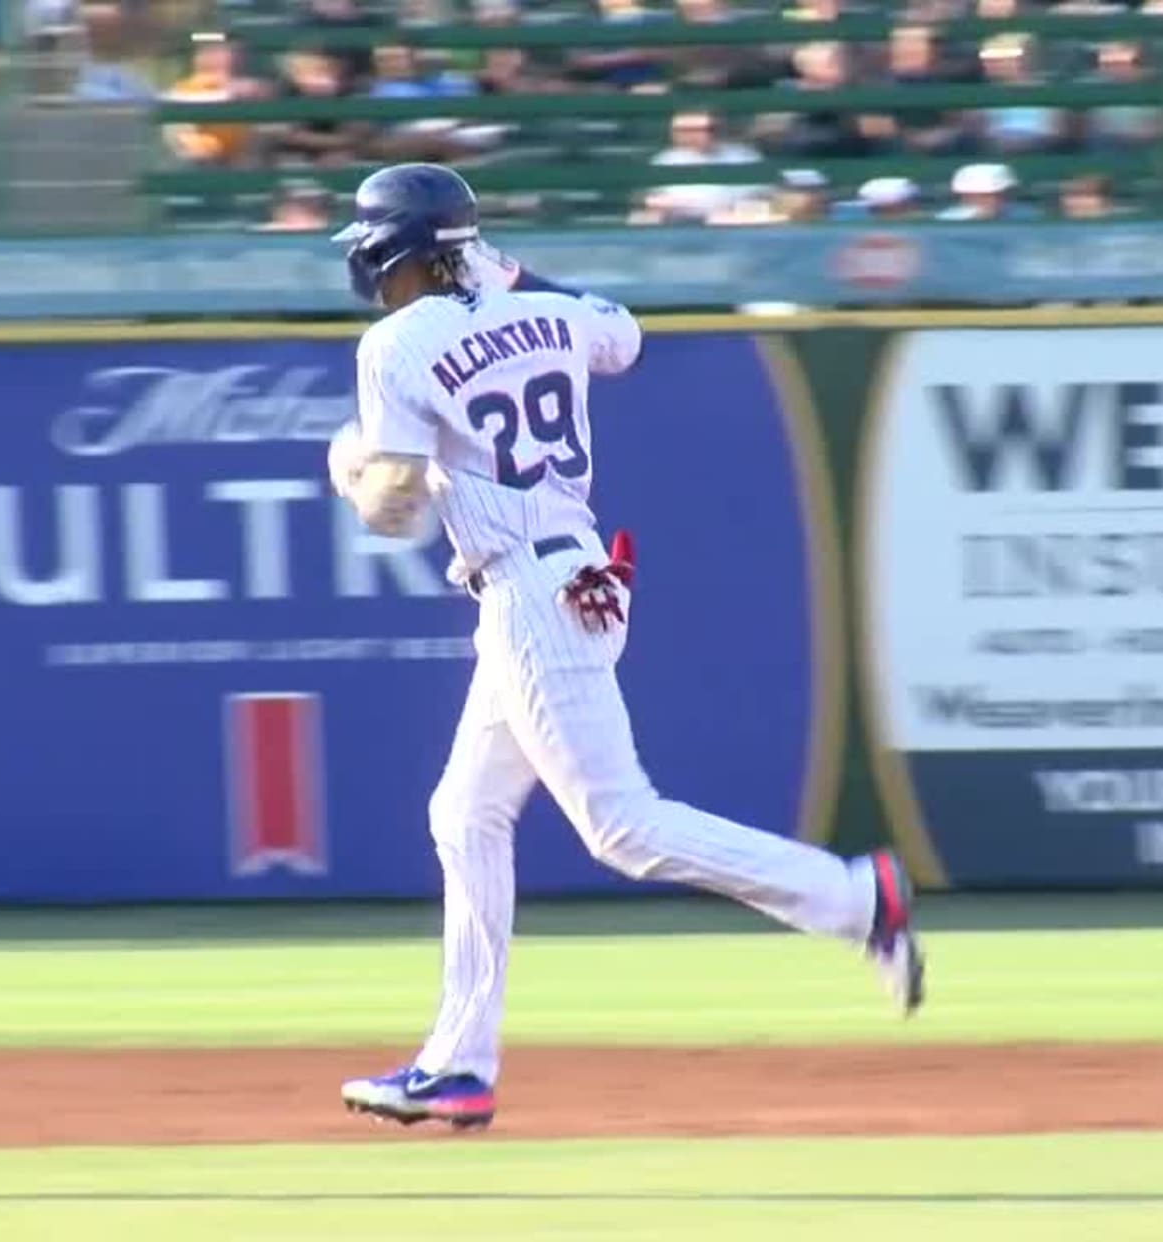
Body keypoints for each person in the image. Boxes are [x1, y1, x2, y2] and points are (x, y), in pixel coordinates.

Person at [323, 165, 924, 1130]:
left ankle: (855, 898)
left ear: (401, 256)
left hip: (530, 589)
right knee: (463, 813)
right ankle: (459, 1063)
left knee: (623, 827)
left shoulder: (394, 342)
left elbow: (393, 510)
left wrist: (349, 469)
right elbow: (628, 338)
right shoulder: (554, 314)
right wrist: (512, 282)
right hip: (568, 572)